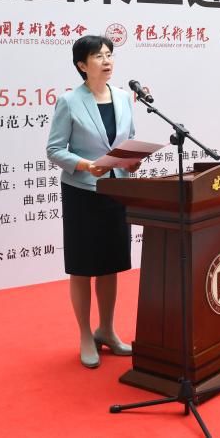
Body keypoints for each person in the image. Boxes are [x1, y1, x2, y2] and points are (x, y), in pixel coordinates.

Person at [47, 35, 141, 369]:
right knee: (83, 266)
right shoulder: (69, 101)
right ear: (82, 65)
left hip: (116, 190)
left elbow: (129, 140)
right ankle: (86, 335)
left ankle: (107, 330)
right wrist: (86, 165)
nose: (107, 61)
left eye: (109, 54)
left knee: (110, 264)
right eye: (98, 56)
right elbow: (54, 149)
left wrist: (132, 161)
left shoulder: (124, 97)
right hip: (83, 192)